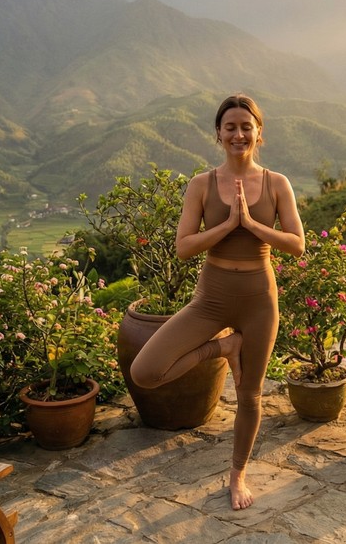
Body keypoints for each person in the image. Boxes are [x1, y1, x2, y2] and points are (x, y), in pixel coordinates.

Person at [130, 93, 305, 511]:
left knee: (250, 394)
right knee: (146, 371)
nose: (239, 134)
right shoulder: (201, 185)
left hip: (259, 299)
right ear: (218, 135)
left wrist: (252, 224)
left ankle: (237, 473)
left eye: (246, 126)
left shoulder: (277, 184)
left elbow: (297, 245)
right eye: (230, 127)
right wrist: (227, 225)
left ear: (259, 133)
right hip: (211, 297)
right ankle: (224, 347)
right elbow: (184, 247)